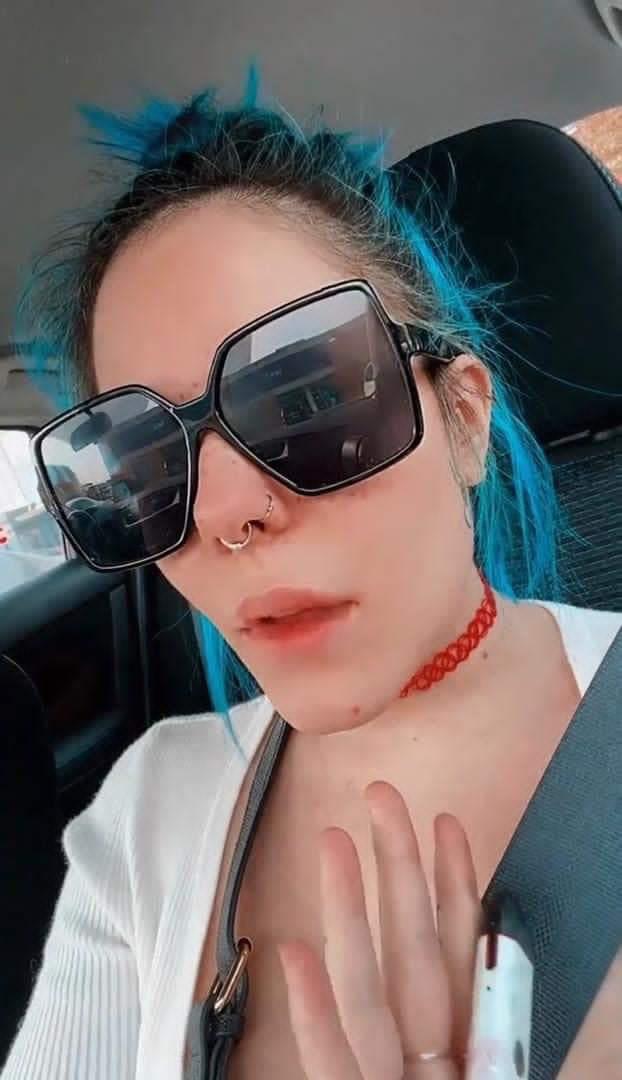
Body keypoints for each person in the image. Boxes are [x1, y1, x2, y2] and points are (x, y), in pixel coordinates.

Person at [3, 71, 622, 1080]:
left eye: (306, 402)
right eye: (144, 464)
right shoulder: (146, 812)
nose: (221, 511)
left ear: (464, 418)